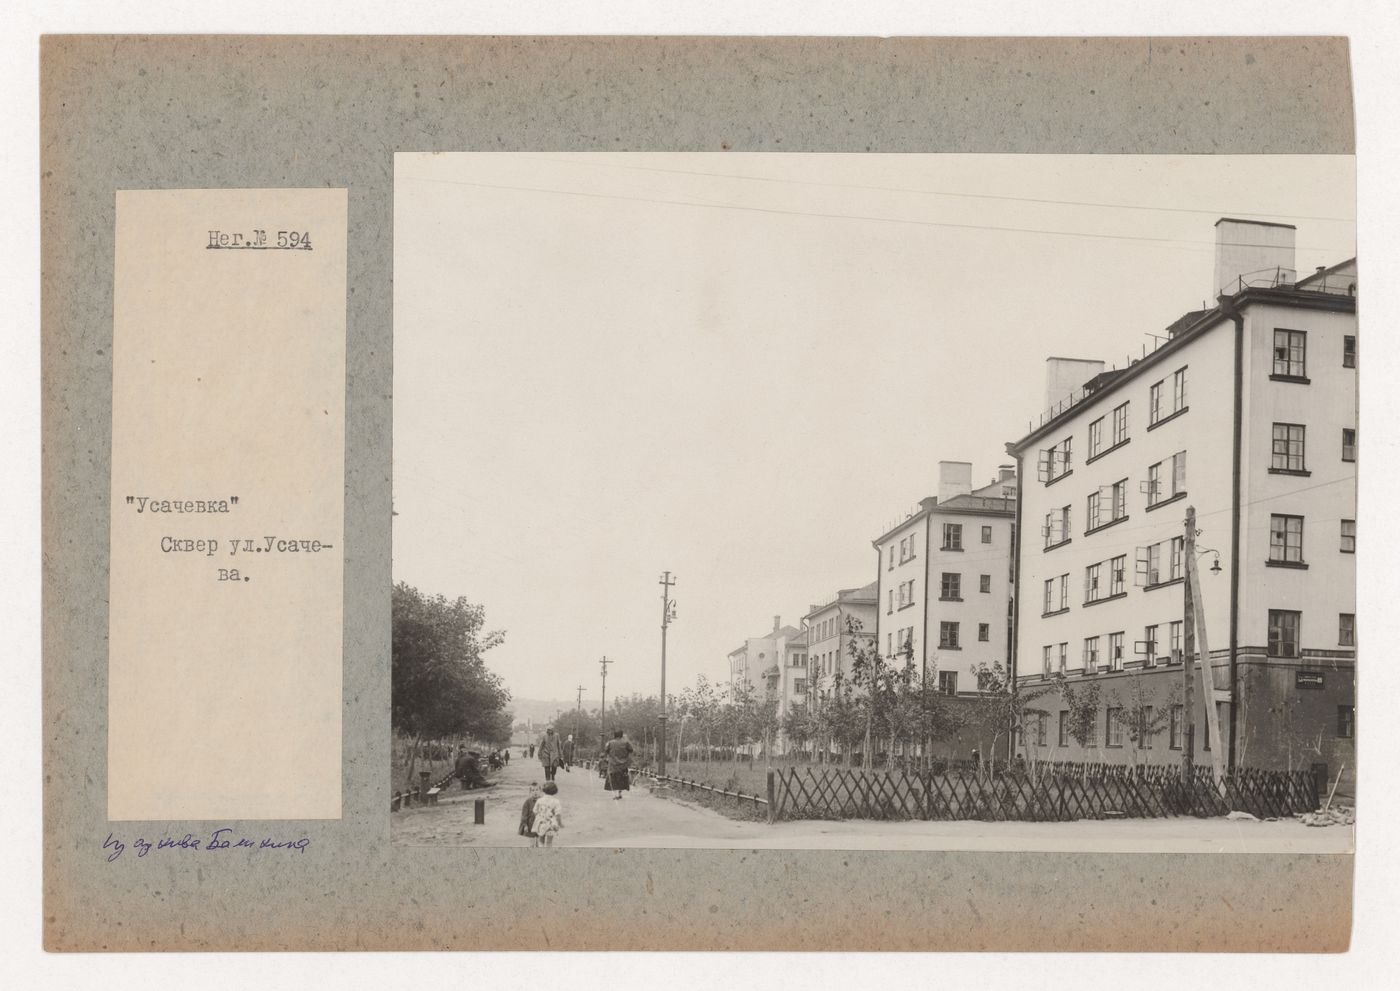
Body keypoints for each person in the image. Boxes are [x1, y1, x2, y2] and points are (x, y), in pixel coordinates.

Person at [603, 729, 634, 800]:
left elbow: (606, 750)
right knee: (622, 779)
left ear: (615, 735)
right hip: (623, 765)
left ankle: (615, 794)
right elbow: (631, 750)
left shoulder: (610, 743)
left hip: (613, 765)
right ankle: (619, 794)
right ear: (621, 735)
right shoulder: (626, 742)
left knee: (614, 779)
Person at [532, 781, 564, 846]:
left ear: (544, 790)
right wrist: (560, 824)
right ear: (555, 791)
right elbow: (558, 814)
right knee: (549, 842)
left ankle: (541, 854)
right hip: (551, 824)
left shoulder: (539, 800)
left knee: (541, 840)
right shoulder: (556, 801)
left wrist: (539, 817)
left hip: (540, 823)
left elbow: (535, 811)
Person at [518, 782, 541, 847]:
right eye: (533, 790)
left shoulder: (542, 801)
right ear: (530, 792)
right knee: (532, 844)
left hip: (540, 825)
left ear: (540, 791)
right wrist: (525, 825)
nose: (535, 792)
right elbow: (524, 815)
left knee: (539, 844)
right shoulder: (527, 802)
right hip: (531, 825)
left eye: (537, 790)